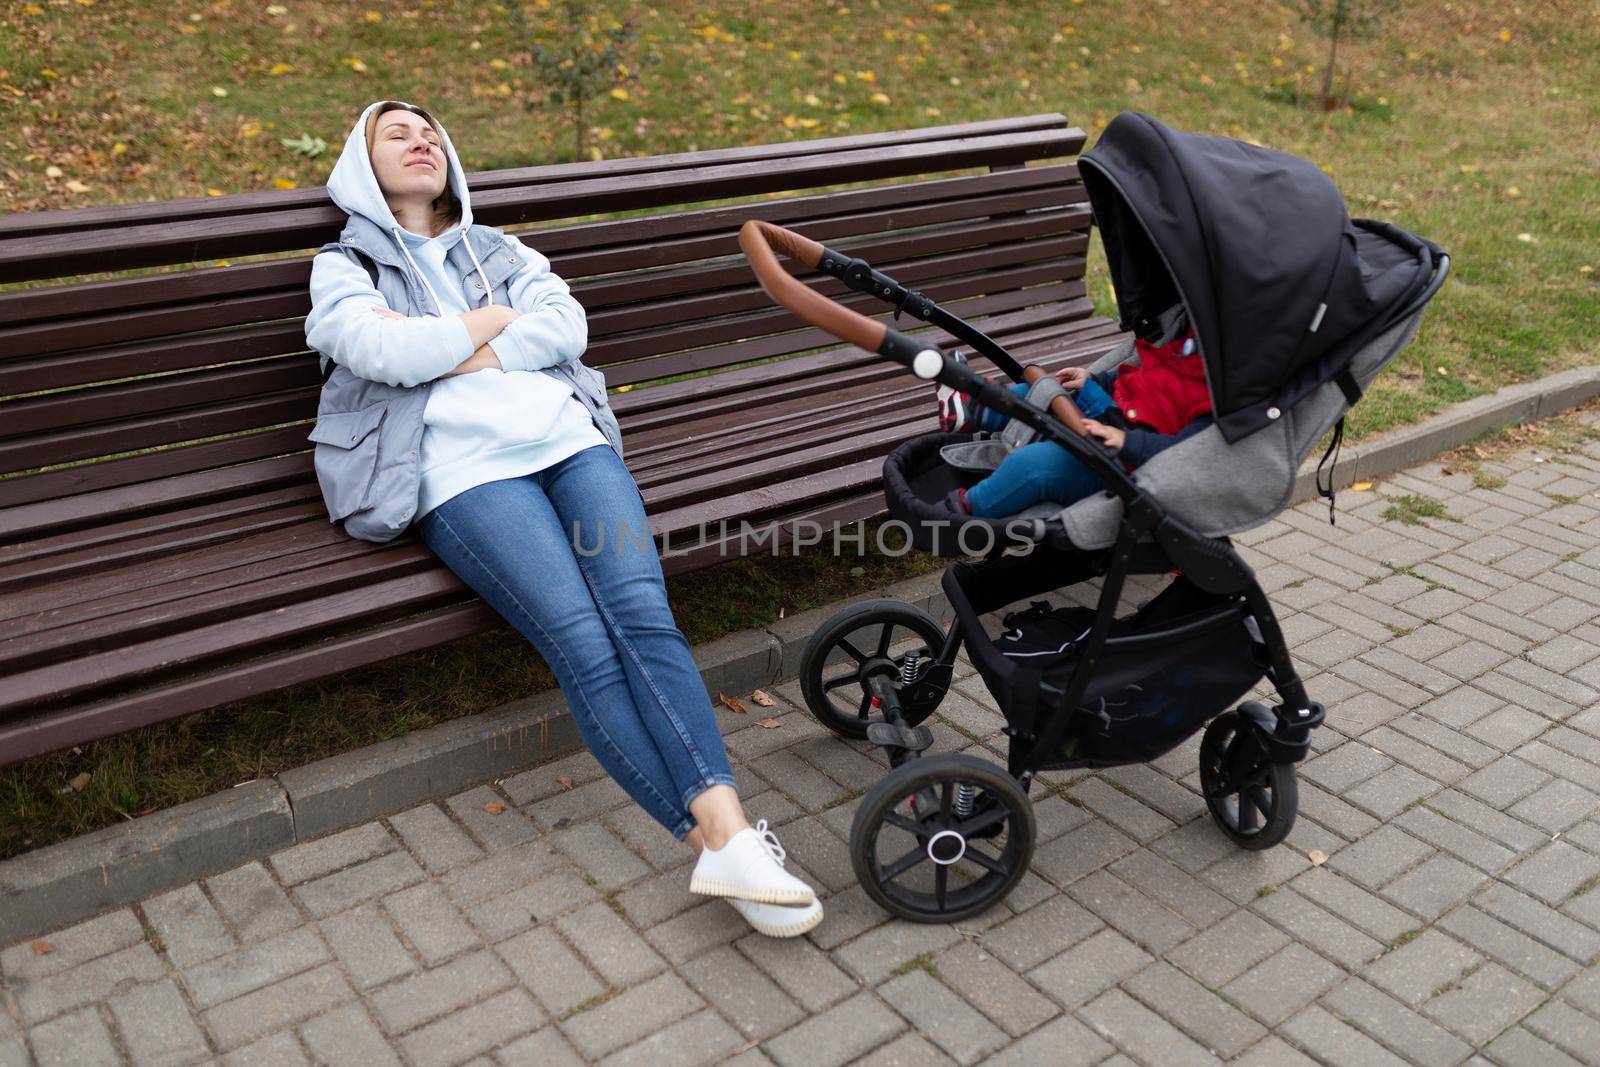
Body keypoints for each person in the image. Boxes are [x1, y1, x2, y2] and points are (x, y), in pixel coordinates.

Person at [302, 99, 821, 938]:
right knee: (581, 639)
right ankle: (717, 841)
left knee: (645, 619)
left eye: (432, 130)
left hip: (571, 447)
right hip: (464, 476)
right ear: (361, 166)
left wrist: (449, 347)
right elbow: (377, 353)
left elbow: (566, 324)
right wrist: (492, 323)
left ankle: (731, 844)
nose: (422, 139)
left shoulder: (499, 249)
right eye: (396, 133)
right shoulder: (343, 267)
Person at [935, 330, 1213, 517]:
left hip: (1115, 461)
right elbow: (1137, 378)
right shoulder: (1190, 346)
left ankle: (965, 509)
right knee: (1035, 393)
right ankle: (974, 410)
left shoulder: (1216, 399)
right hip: (1103, 411)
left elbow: (1188, 451)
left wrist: (1127, 441)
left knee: (1034, 466)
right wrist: (1094, 379)